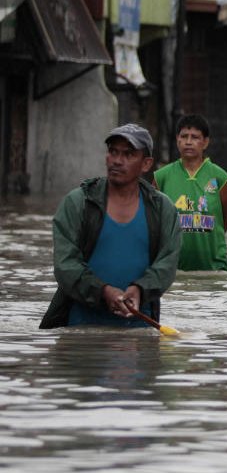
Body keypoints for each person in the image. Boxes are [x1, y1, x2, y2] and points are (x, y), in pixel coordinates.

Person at [40, 124, 181, 329]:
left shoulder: (162, 209)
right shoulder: (79, 203)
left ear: (146, 164)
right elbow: (65, 265)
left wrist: (140, 289)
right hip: (80, 331)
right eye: (113, 152)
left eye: (128, 154)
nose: (117, 160)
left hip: (139, 334)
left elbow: (167, 265)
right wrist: (103, 291)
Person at [153, 114, 227, 271]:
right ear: (177, 139)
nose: (188, 142)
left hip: (214, 269)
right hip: (173, 270)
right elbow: (153, 219)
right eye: (184, 136)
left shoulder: (220, 177)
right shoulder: (161, 176)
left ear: (205, 142)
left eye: (195, 137)